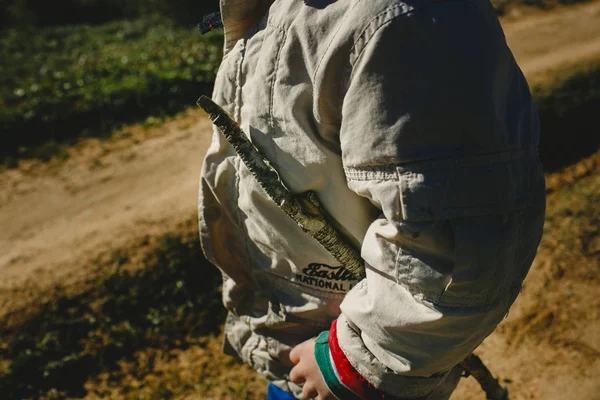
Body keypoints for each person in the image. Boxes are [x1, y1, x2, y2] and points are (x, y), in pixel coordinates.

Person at [198, 0, 545, 398]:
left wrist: (354, 359)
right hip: (303, 345)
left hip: (360, 367)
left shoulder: (406, 20)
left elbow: (458, 241)